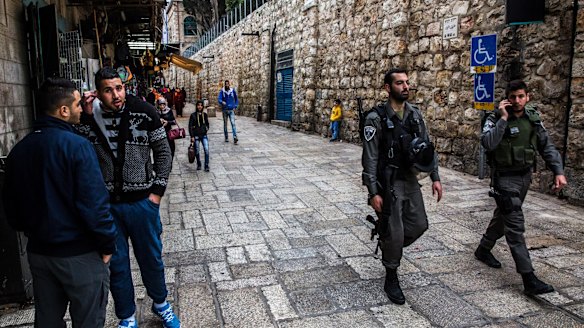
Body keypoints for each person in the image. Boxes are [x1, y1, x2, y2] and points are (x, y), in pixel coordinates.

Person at [2, 77, 117, 328]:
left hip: (40, 253)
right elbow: (95, 205)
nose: (80, 109)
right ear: (63, 110)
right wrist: (107, 245)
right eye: (77, 104)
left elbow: (11, 210)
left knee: (47, 320)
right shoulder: (78, 147)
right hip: (79, 254)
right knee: (89, 319)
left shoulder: (18, 151)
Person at [79, 67, 180, 328]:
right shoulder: (89, 117)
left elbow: (163, 152)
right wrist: (87, 118)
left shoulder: (144, 111)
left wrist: (156, 194)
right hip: (108, 207)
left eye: (119, 87)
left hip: (141, 203)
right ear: (98, 93)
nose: (116, 94)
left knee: (151, 258)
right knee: (117, 265)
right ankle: (127, 316)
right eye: (108, 90)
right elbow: (80, 151)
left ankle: (161, 304)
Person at [475, 79, 567, 295]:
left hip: (524, 178)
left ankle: (483, 249)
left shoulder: (533, 119)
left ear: (528, 97)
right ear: (507, 97)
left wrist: (559, 172)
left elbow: (547, 146)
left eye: (521, 97)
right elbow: (488, 143)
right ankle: (529, 278)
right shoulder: (494, 117)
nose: (517, 101)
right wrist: (504, 119)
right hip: (504, 179)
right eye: (513, 97)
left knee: (504, 218)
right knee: (515, 226)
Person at [362, 68, 443, 305]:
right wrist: (373, 192)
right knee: (395, 231)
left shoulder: (415, 115)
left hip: (410, 179)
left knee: (419, 224)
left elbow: (427, 148)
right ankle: (391, 274)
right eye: (400, 83)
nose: (406, 87)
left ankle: (389, 243)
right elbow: (370, 157)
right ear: (388, 88)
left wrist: (435, 177)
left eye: (407, 82)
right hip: (389, 182)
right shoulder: (375, 119)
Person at [188, 100, 210, 171]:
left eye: (201, 105)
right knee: (197, 151)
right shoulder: (193, 115)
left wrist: (206, 129)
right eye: (198, 105)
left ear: (203, 106)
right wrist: (192, 136)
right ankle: (199, 164)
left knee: (206, 150)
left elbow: (207, 123)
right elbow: (190, 126)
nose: (199, 106)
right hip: (196, 136)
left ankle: (206, 165)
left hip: (204, 135)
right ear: (196, 106)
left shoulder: (205, 115)